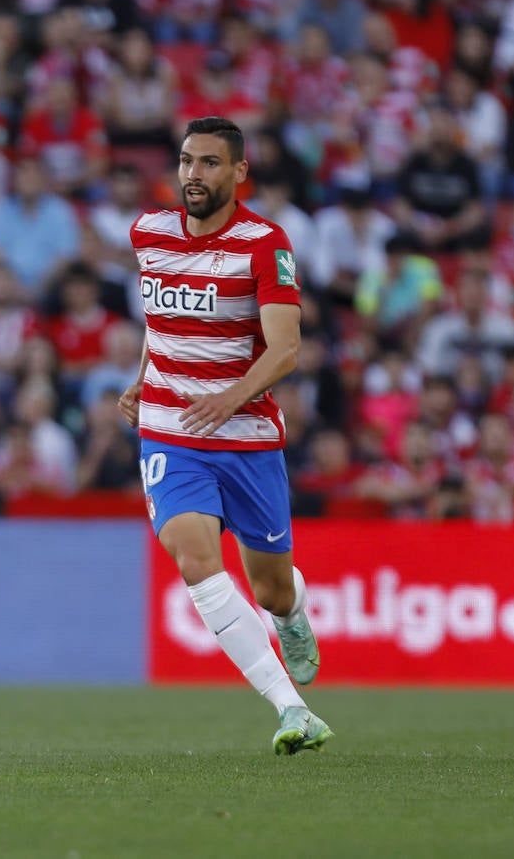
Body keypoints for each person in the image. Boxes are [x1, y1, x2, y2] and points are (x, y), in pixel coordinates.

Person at [118, 116, 333, 755]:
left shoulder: (266, 244)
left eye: (210, 164)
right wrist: (141, 378)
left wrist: (229, 399)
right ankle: (292, 709)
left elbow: (287, 349)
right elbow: (162, 322)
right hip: (170, 430)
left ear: (240, 172)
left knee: (271, 584)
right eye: (187, 162)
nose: (193, 175)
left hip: (246, 435)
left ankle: (291, 615)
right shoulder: (147, 232)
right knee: (193, 557)